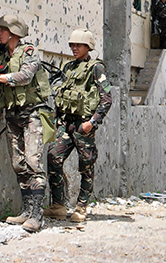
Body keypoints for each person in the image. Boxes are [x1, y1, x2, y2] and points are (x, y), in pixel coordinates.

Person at [0, 15, 52, 232]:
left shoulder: (29, 51)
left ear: (11, 33)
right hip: (12, 114)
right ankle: (26, 211)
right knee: (18, 164)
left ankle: (37, 215)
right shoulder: (3, 54)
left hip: (33, 113)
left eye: (1, 30)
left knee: (33, 162)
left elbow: (24, 77)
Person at [46, 29, 113, 223]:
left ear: (88, 47)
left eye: (78, 45)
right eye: (72, 45)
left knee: (86, 165)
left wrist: (92, 123)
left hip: (83, 125)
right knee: (53, 157)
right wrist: (58, 119)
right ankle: (58, 205)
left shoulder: (96, 68)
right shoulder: (68, 68)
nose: (74, 48)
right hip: (66, 123)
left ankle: (81, 206)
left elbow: (106, 99)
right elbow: (61, 95)